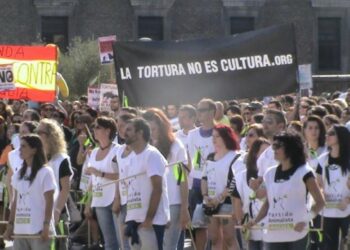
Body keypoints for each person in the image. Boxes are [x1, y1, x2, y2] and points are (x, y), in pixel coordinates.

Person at [246, 132, 325, 250]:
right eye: (274, 145)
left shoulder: (305, 172)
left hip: (297, 234)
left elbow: (320, 202)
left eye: (278, 146)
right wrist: (255, 220)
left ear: (290, 149)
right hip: (273, 234)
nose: (274, 149)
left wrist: (305, 220)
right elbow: (268, 203)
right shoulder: (269, 173)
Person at [143, 108, 190, 250]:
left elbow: (181, 178)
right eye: (147, 130)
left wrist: (184, 208)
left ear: (162, 126)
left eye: (154, 129)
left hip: (172, 204)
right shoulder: (144, 148)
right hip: (150, 204)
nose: (151, 133)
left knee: (169, 247)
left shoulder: (176, 146)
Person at [3, 134, 57, 250]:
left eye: (23, 146)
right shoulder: (18, 174)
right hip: (20, 231)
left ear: (34, 150)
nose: (19, 150)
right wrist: (10, 226)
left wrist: (46, 226)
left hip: (39, 230)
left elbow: (49, 201)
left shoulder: (46, 172)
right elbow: (15, 202)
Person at [124, 118, 170, 250]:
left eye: (129, 130)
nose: (124, 132)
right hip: (135, 221)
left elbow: (157, 188)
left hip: (152, 222)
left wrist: (149, 219)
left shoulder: (152, 155)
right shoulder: (131, 157)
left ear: (140, 133)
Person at [201, 124, 240, 250]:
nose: (214, 139)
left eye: (217, 136)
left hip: (228, 202)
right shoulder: (210, 157)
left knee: (229, 238)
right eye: (213, 136)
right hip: (210, 202)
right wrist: (205, 196)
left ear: (226, 137)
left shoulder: (236, 157)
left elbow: (233, 183)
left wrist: (219, 199)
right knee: (214, 237)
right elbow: (204, 178)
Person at [84, 117, 120, 250]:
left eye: (97, 127)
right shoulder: (93, 152)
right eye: (93, 127)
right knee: (109, 242)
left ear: (107, 130)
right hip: (99, 200)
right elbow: (92, 181)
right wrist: (88, 202)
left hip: (115, 200)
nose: (94, 130)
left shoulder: (118, 150)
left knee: (122, 241)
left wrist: (100, 173)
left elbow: (121, 176)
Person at [37, 119, 74, 250]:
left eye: (40, 132)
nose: (36, 134)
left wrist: (57, 211)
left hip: (59, 212)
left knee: (60, 246)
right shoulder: (37, 158)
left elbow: (65, 189)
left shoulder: (62, 159)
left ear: (51, 135)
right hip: (41, 212)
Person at [316, 125, 350, 250]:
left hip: (347, 210)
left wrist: (347, 200)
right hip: (328, 211)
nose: (327, 136)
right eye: (327, 133)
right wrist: (321, 194)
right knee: (329, 246)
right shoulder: (322, 159)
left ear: (341, 137)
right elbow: (318, 184)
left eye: (331, 133)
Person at [232, 138, 270, 250]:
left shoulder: (274, 175)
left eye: (269, 153)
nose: (267, 157)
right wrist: (240, 219)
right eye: (264, 153)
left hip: (273, 230)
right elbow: (236, 202)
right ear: (254, 154)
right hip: (251, 230)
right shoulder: (241, 176)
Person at [188, 98, 216, 250]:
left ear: (212, 112)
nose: (198, 113)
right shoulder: (192, 135)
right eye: (197, 109)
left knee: (215, 227)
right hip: (197, 185)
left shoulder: (221, 132)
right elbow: (192, 161)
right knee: (199, 225)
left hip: (214, 186)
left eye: (202, 110)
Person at [113, 113, 136, 250]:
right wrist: (117, 198)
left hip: (136, 201)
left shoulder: (142, 150)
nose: (120, 129)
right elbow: (118, 176)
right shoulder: (119, 150)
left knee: (135, 241)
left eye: (123, 126)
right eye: (119, 126)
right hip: (123, 201)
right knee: (124, 243)